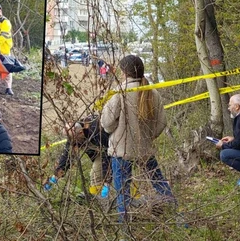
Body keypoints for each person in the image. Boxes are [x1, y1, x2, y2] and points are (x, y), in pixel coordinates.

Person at [101, 55, 175, 223]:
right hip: (145, 149)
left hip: (122, 151)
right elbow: (162, 122)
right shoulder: (153, 92)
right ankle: (175, 213)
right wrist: (150, 136)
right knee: (159, 183)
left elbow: (106, 122)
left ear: (124, 72)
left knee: (123, 193)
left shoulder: (120, 93)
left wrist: (113, 131)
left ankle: (125, 227)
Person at [43, 115, 112, 198]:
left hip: (113, 149)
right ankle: (97, 197)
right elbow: (67, 157)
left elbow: (109, 152)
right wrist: (55, 177)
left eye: (75, 139)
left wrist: (107, 180)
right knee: (94, 175)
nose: (74, 142)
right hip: (100, 153)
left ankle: (106, 198)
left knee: (99, 174)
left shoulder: (96, 130)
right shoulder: (73, 136)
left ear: (80, 132)